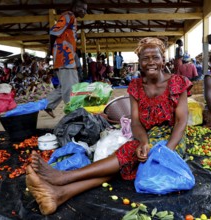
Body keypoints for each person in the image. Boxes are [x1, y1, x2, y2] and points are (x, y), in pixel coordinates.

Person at [26, 37, 192, 215]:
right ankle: (58, 194)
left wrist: (166, 151)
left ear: (163, 60)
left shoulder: (177, 82)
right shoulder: (136, 86)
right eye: (145, 58)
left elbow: (181, 121)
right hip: (147, 135)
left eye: (155, 57)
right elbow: (135, 121)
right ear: (139, 63)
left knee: (129, 153)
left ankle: (63, 178)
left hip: (172, 139)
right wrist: (144, 142)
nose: (151, 62)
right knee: (129, 160)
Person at [44, 0, 87, 118]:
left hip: (68, 58)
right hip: (65, 58)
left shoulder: (72, 19)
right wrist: (49, 55)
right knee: (71, 88)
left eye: (86, 10)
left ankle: (47, 104)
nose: (85, 12)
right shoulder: (68, 16)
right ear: (75, 7)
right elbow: (53, 33)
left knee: (65, 86)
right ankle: (73, 114)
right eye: (83, 8)